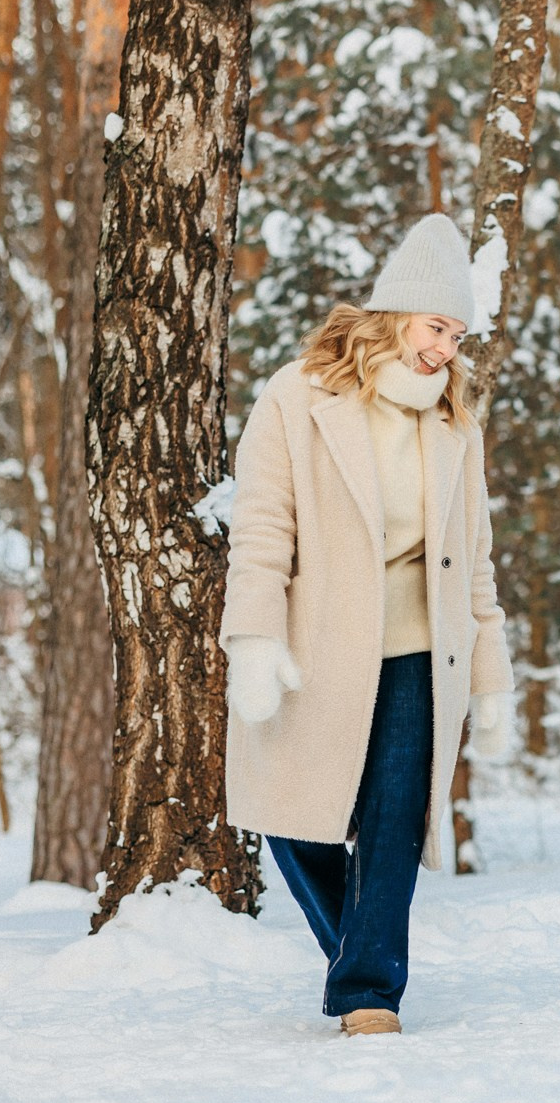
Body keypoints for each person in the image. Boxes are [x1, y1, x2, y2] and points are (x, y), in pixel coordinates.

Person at [220, 214, 515, 1035]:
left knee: (392, 822)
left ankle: (368, 992)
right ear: (396, 314)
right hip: (320, 641)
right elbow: (263, 525)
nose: (445, 349)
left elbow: (477, 560)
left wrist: (491, 678)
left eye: (457, 335)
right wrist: (254, 637)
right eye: (436, 327)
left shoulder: (455, 423)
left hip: (422, 650)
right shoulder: (299, 394)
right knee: (288, 815)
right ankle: (356, 951)